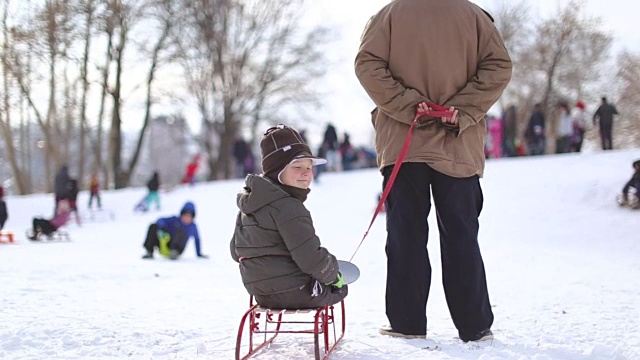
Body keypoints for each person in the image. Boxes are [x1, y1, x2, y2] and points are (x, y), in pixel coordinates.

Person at [355, 0, 511, 341]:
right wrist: (461, 109)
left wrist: (409, 105)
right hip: (459, 143)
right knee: (461, 235)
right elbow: (498, 67)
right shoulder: (473, 17)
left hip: (403, 142)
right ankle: (475, 325)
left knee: (405, 235)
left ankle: (406, 322)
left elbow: (367, 65)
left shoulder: (390, 15)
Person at [230, 124, 347, 309]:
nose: (306, 172)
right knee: (339, 289)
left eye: (309, 167)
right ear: (276, 171)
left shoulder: (248, 207)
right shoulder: (289, 207)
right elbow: (311, 259)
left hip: (260, 294)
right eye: (297, 166)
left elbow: (235, 252)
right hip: (297, 291)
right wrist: (333, 274)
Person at [142, 201, 208, 260]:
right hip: (165, 243)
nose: (187, 218)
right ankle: (149, 251)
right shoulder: (174, 220)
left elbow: (197, 240)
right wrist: (162, 227)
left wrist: (199, 254)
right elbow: (160, 220)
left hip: (177, 249)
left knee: (181, 232)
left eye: (189, 216)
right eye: (185, 215)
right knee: (153, 226)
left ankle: (174, 252)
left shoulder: (193, 227)